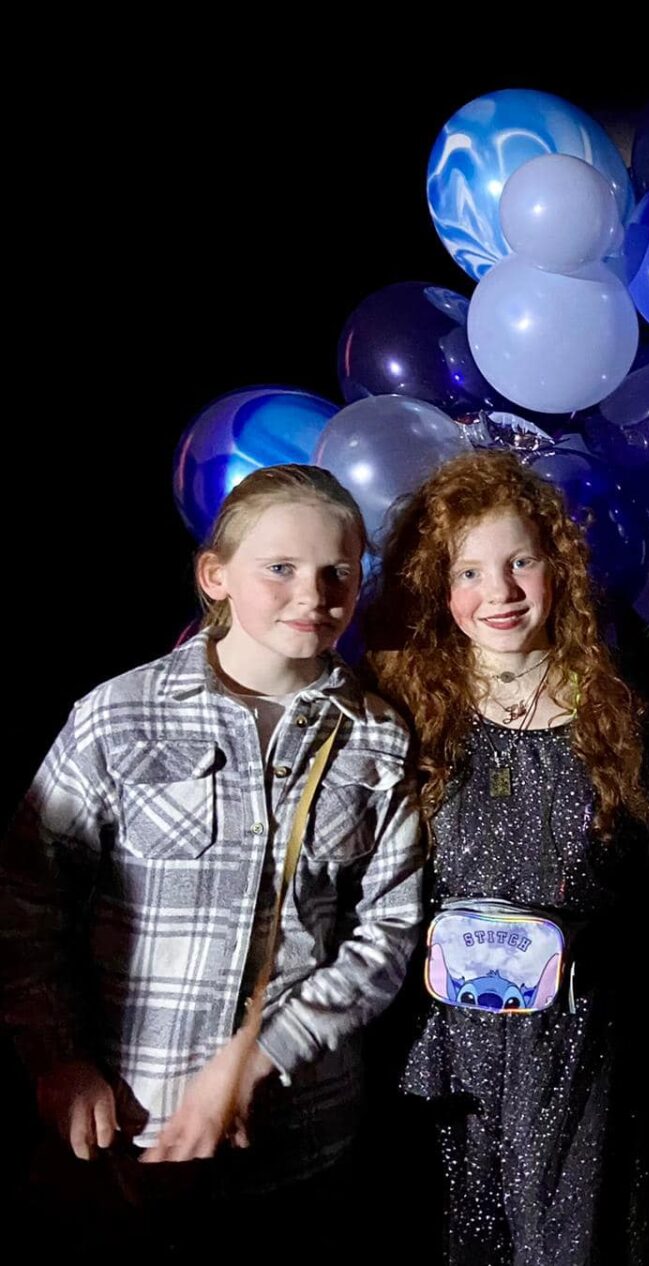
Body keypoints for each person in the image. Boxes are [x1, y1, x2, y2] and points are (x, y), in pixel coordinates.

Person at [0, 464, 425, 1258]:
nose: (314, 593)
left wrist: (264, 1054)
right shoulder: (117, 715)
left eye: (339, 571)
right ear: (215, 575)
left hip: (302, 1145)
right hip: (129, 1137)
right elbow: (29, 903)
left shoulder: (376, 737)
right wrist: (58, 1060)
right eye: (281, 569)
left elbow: (388, 933)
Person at [370, 450, 649, 1265]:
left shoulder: (623, 707)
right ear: (437, 587)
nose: (501, 593)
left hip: (584, 1038)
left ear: (556, 566)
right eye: (470, 572)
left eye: (520, 562)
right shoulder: (400, 709)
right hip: (438, 1046)